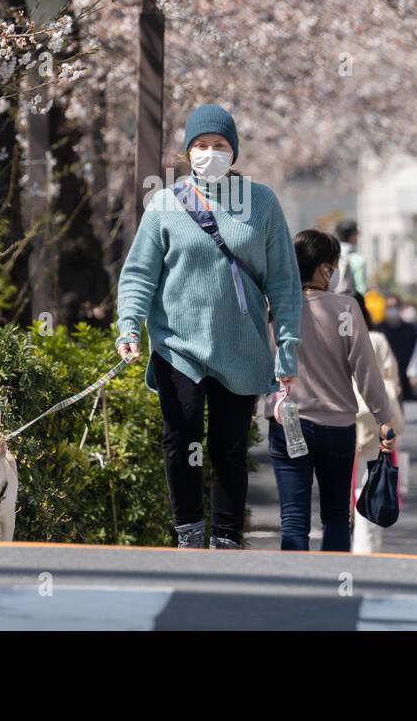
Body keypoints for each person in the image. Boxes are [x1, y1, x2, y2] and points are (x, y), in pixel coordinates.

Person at [115, 104, 302, 550]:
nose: (210, 153)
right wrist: (128, 327)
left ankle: (225, 535)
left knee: (229, 447)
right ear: (187, 151)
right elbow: (140, 274)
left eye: (220, 146)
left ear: (234, 152)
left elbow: (284, 284)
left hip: (241, 347)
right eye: (201, 146)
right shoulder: (164, 204)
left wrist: (288, 352)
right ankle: (187, 531)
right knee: (180, 439)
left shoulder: (262, 203)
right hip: (177, 345)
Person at [268, 230, 398, 552]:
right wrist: (383, 417)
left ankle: (296, 591)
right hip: (338, 425)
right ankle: (335, 589)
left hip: (289, 423)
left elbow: (262, 361)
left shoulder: (278, 307)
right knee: (337, 516)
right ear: (325, 268)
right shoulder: (346, 307)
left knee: (294, 518)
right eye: (333, 265)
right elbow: (365, 368)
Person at [352, 294, 406, 554]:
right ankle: (366, 545)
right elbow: (392, 379)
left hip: (344, 413)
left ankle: (342, 539)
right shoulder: (378, 339)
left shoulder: (337, 335)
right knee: (371, 479)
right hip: (375, 415)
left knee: (343, 482)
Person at [377, 295, 417, 402]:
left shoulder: (410, 329)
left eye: (394, 306)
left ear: (400, 308)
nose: (392, 310)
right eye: (389, 307)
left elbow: (416, 353)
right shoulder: (378, 329)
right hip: (384, 378)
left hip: (406, 377)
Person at [331, 219, 367, 296]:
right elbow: (361, 288)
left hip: (330, 299)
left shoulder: (332, 254)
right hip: (349, 302)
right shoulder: (358, 259)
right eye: (357, 233)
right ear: (352, 236)